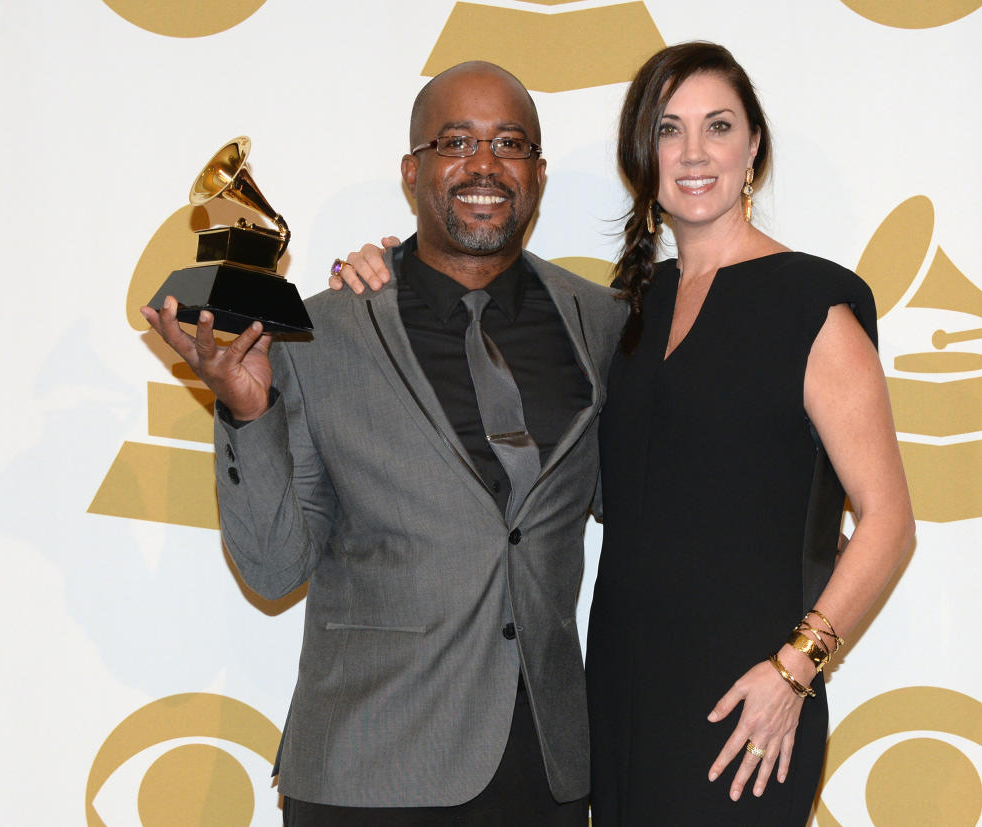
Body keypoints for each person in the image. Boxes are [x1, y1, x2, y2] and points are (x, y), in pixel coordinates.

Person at [338, 42, 914, 825]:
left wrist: (795, 670)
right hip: (616, 694)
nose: (695, 152)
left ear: (753, 149)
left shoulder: (816, 307)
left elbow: (888, 521)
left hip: (747, 700)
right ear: (645, 157)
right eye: (670, 131)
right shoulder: (626, 315)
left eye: (718, 126)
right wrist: (385, 267)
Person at [142, 61, 627, 825]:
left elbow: (652, 503)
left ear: (537, 170)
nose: (483, 164)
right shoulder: (320, 331)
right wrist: (247, 412)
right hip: (365, 771)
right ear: (413, 169)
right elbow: (272, 569)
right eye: (455, 141)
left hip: (545, 773)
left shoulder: (600, 324)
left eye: (508, 142)